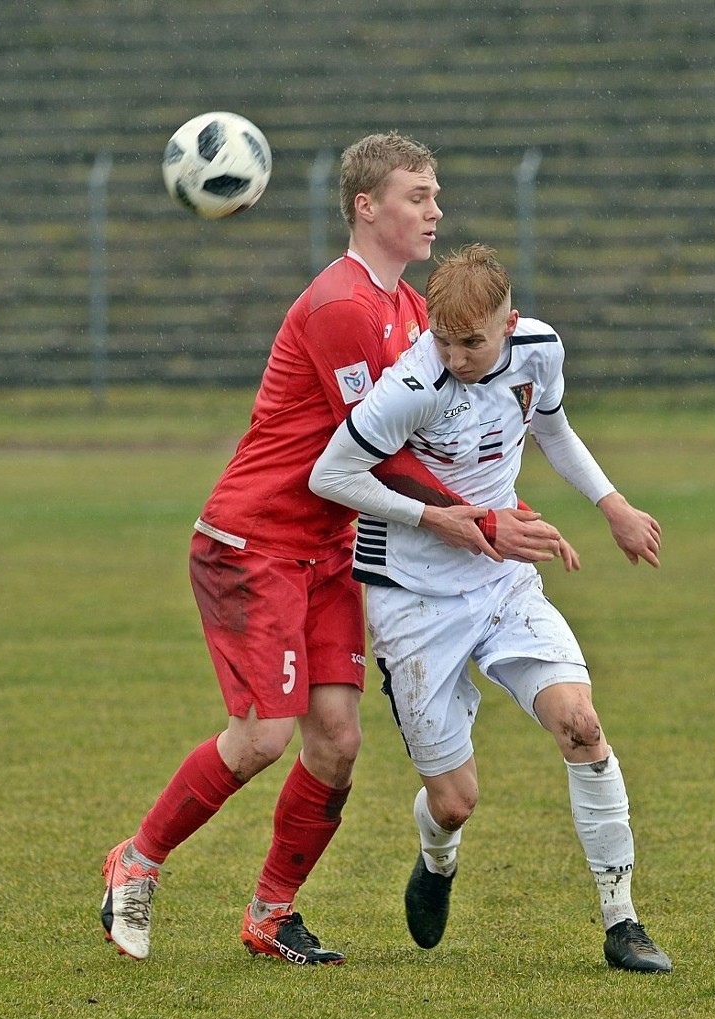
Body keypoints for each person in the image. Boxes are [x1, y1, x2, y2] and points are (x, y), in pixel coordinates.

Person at [100, 135, 569, 966]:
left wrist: (500, 507)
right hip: (254, 541)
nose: (435, 210)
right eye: (418, 196)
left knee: (338, 742)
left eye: (434, 195)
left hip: (328, 549)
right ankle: (136, 861)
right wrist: (484, 522)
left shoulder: (415, 309)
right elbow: (379, 456)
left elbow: (439, 439)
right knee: (262, 736)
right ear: (367, 206)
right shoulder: (342, 306)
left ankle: (271, 913)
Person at [309, 243, 672, 972]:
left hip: (500, 582)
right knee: (454, 801)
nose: (455, 355)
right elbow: (332, 473)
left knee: (581, 722)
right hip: (412, 597)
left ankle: (623, 920)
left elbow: (553, 429)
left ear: (509, 324)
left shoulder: (539, 351)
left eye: (471, 341)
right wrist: (440, 520)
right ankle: (437, 859)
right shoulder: (414, 382)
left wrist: (614, 505)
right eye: (443, 338)